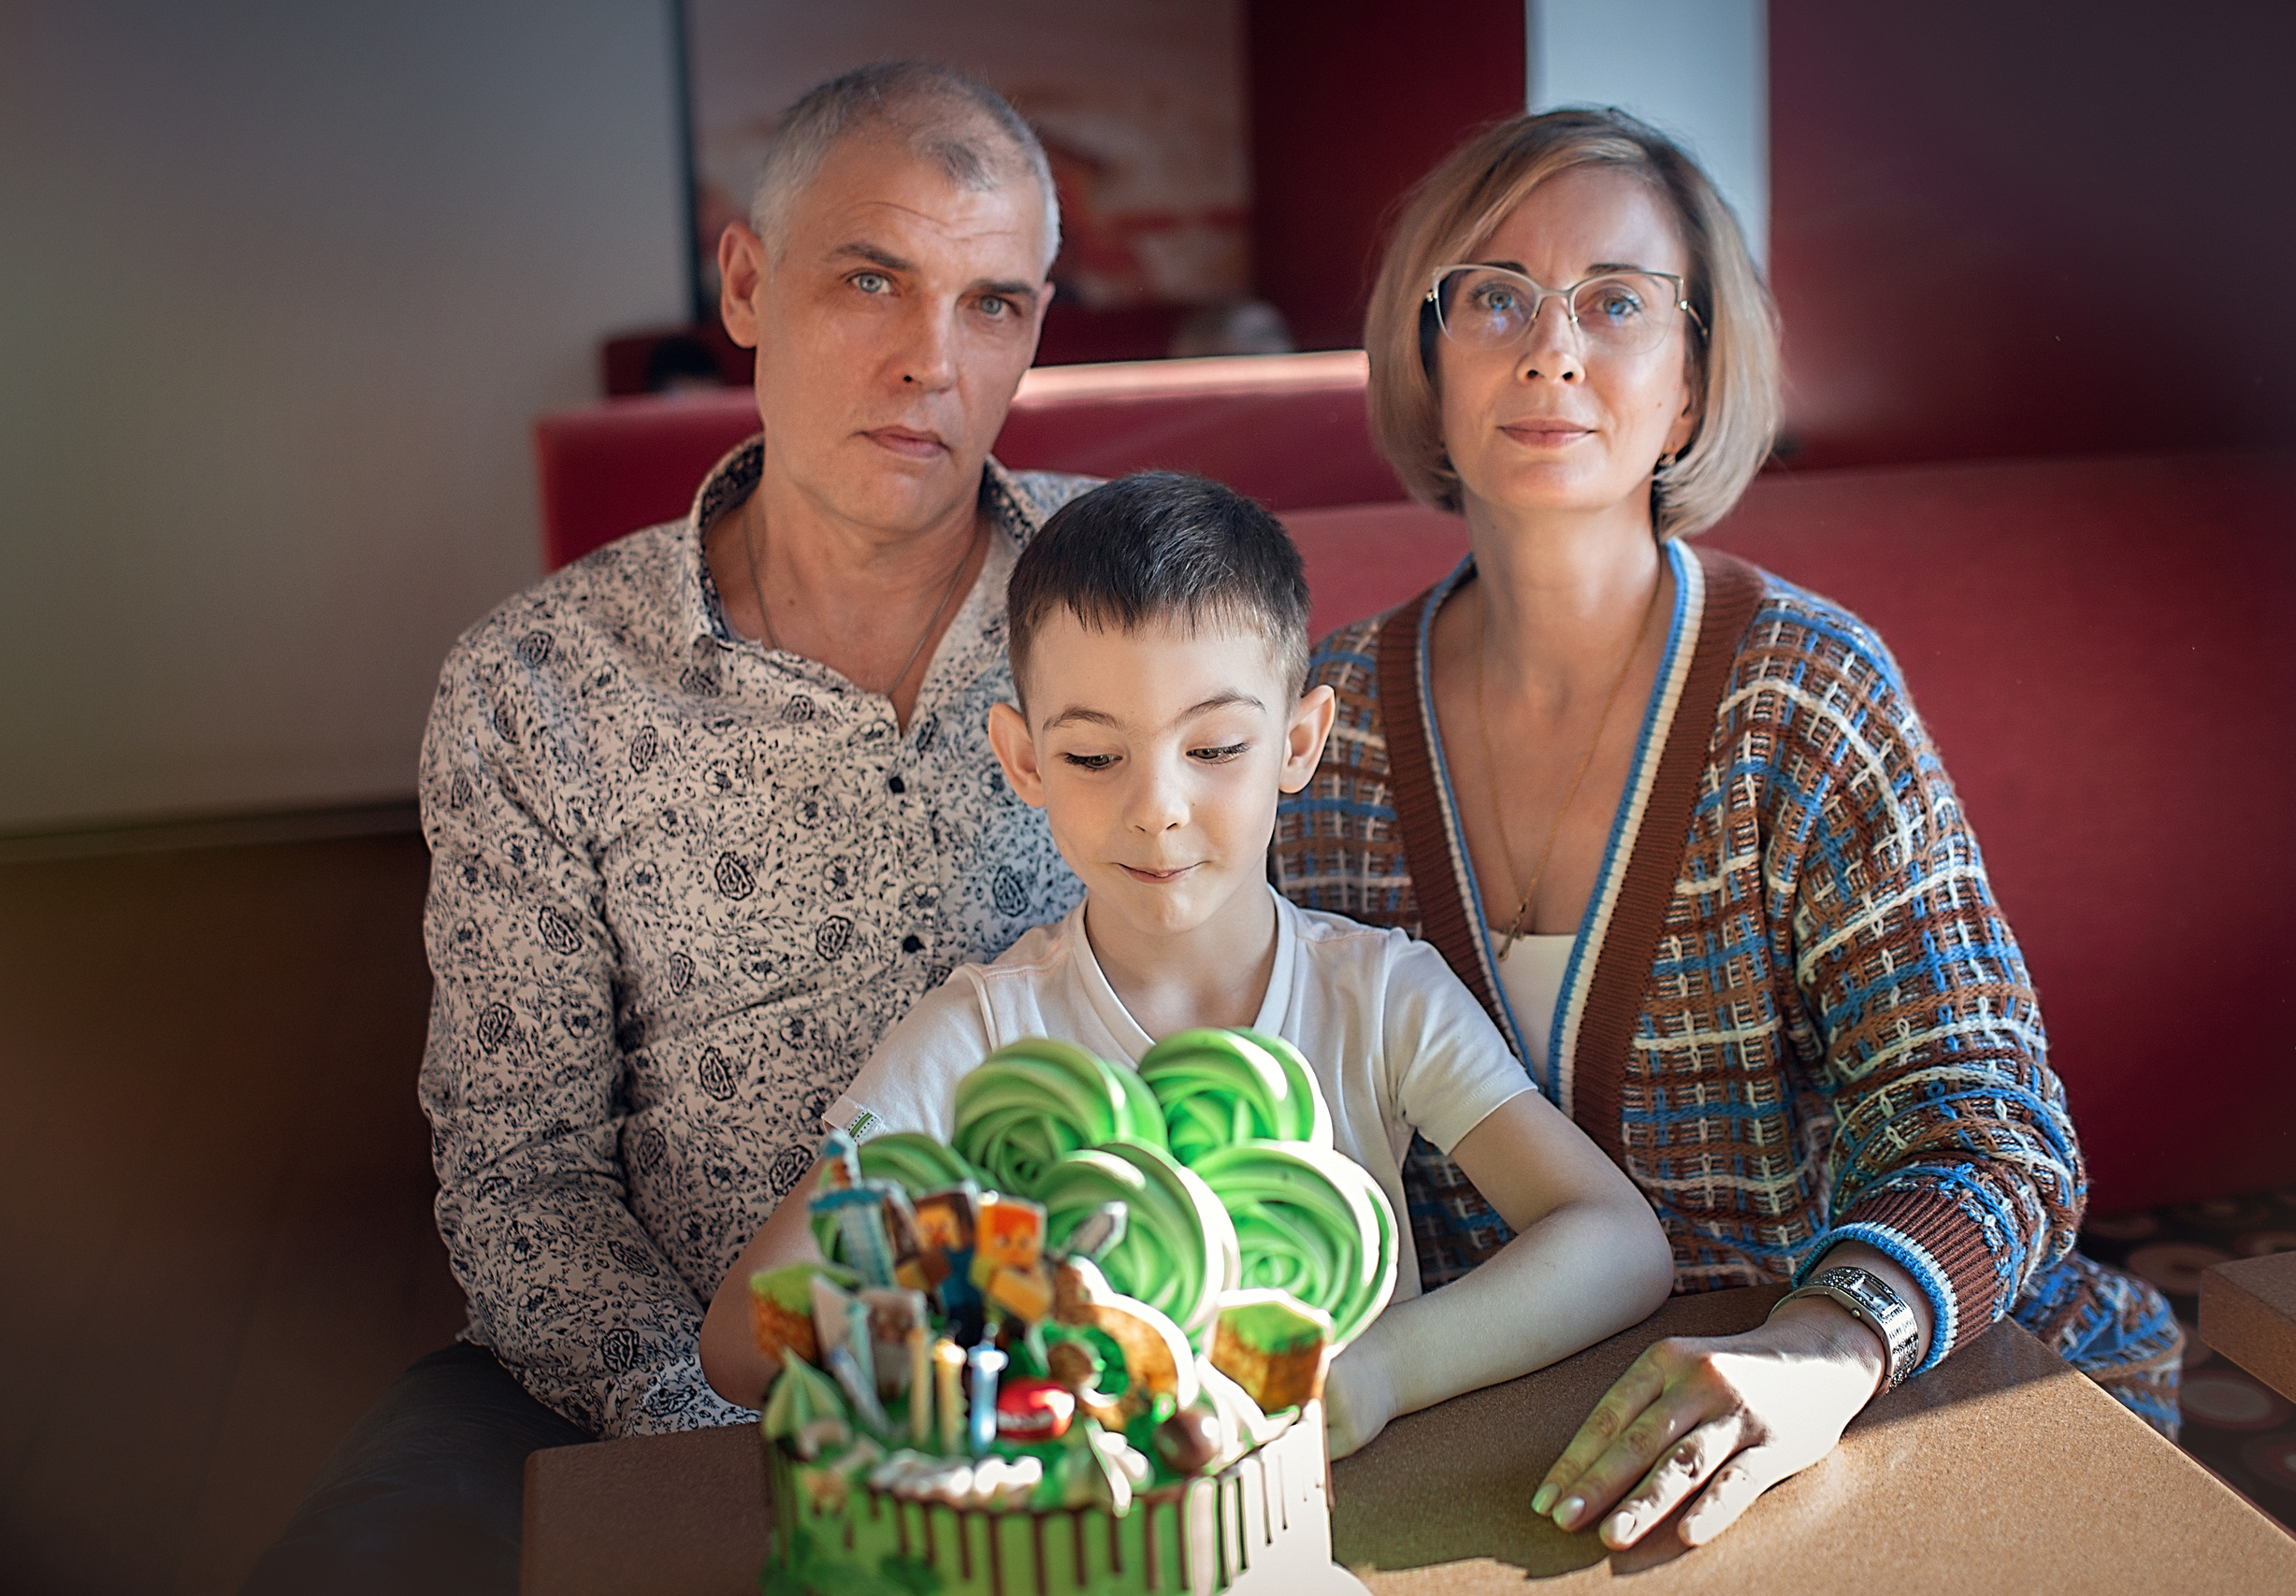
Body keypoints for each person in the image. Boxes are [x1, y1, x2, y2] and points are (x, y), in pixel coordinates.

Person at [1270, 108, 2182, 1553]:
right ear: (1428, 360)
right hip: (1481, 1439)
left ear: (1691, 385)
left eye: (1617, 302)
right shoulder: (1316, 735)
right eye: (1495, 296)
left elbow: (1993, 1126)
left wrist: (1821, 1347)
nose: (1551, 348)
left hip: (1856, 1399)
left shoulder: (1805, 694)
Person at [243, 64, 1095, 1594]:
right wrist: (721, 1444)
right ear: (747, 285)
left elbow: (1278, 991)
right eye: (872, 279)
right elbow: (522, 1171)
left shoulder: (1140, 604)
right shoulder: (537, 682)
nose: (932, 359)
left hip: (1076, 1365)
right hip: (640, 1373)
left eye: (994, 305)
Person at [698, 472, 1676, 1455]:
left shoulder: (1380, 995)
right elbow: (744, 1333)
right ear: (1025, 759)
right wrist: (1012, 1363)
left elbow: (1618, 1241)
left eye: (1213, 748)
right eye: (1094, 757)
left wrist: (1383, 1369)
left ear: (1298, 742)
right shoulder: (981, 1036)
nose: (1157, 808)